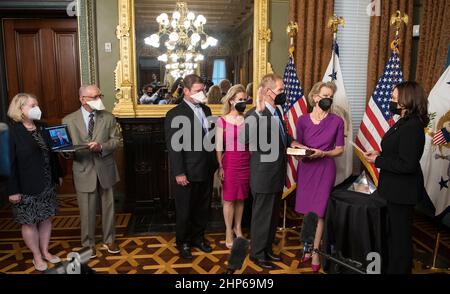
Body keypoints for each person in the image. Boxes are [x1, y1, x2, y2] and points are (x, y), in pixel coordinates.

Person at [364, 81, 428, 274]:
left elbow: (408, 165)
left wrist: (379, 160)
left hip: (403, 192)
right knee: (393, 236)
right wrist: (380, 153)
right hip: (394, 190)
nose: (390, 101)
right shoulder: (403, 121)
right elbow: (397, 152)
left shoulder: (413, 126)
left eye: (394, 98)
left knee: (400, 240)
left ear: (407, 100)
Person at [242, 74, 301, 269]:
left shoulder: (277, 111)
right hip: (263, 174)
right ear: (268, 92)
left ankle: (267, 250)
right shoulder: (254, 113)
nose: (284, 93)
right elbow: (245, 139)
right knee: (261, 217)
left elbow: (283, 135)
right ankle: (257, 254)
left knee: (272, 216)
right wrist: (258, 113)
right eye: (281, 90)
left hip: (277, 173)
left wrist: (293, 142)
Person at [6, 93, 64, 272]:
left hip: (47, 183)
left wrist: (58, 174)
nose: (36, 108)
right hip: (25, 186)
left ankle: (45, 251)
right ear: (20, 109)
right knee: (29, 222)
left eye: (36, 104)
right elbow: (7, 163)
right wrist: (12, 190)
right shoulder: (11, 132)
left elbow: (52, 154)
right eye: (32, 105)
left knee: (46, 218)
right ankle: (36, 256)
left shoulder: (42, 126)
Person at [62, 85, 121, 258]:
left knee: (108, 206)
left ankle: (109, 240)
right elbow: (66, 148)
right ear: (83, 99)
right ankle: (88, 244)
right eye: (94, 97)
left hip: (106, 168)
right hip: (83, 169)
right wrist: (64, 150)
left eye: (99, 96)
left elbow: (116, 140)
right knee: (86, 210)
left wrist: (101, 146)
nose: (98, 100)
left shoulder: (109, 117)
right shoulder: (68, 120)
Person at [164, 74, 218, 260]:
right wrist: (179, 172)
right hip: (187, 170)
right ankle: (183, 242)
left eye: (202, 89)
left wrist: (215, 164)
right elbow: (174, 147)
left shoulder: (207, 110)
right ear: (186, 91)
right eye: (197, 90)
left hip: (206, 167)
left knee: (202, 207)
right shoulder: (174, 114)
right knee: (185, 209)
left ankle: (198, 238)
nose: (202, 93)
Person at [294, 81, 345, 272]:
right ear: (315, 97)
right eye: (325, 96)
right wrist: (303, 150)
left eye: (331, 97)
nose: (328, 99)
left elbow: (339, 149)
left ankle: (316, 251)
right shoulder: (302, 120)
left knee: (320, 211)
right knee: (309, 210)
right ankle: (307, 246)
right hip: (307, 168)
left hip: (325, 168)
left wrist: (323, 153)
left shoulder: (337, 121)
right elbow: (297, 143)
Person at [216, 84, 250, 249]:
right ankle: (228, 231)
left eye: (245, 99)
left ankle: (238, 228)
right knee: (229, 199)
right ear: (231, 101)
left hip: (246, 162)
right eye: (240, 99)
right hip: (230, 162)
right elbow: (218, 147)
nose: (243, 102)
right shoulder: (222, 120)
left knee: (241, 198)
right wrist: (220, 167)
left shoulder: (248, 119)